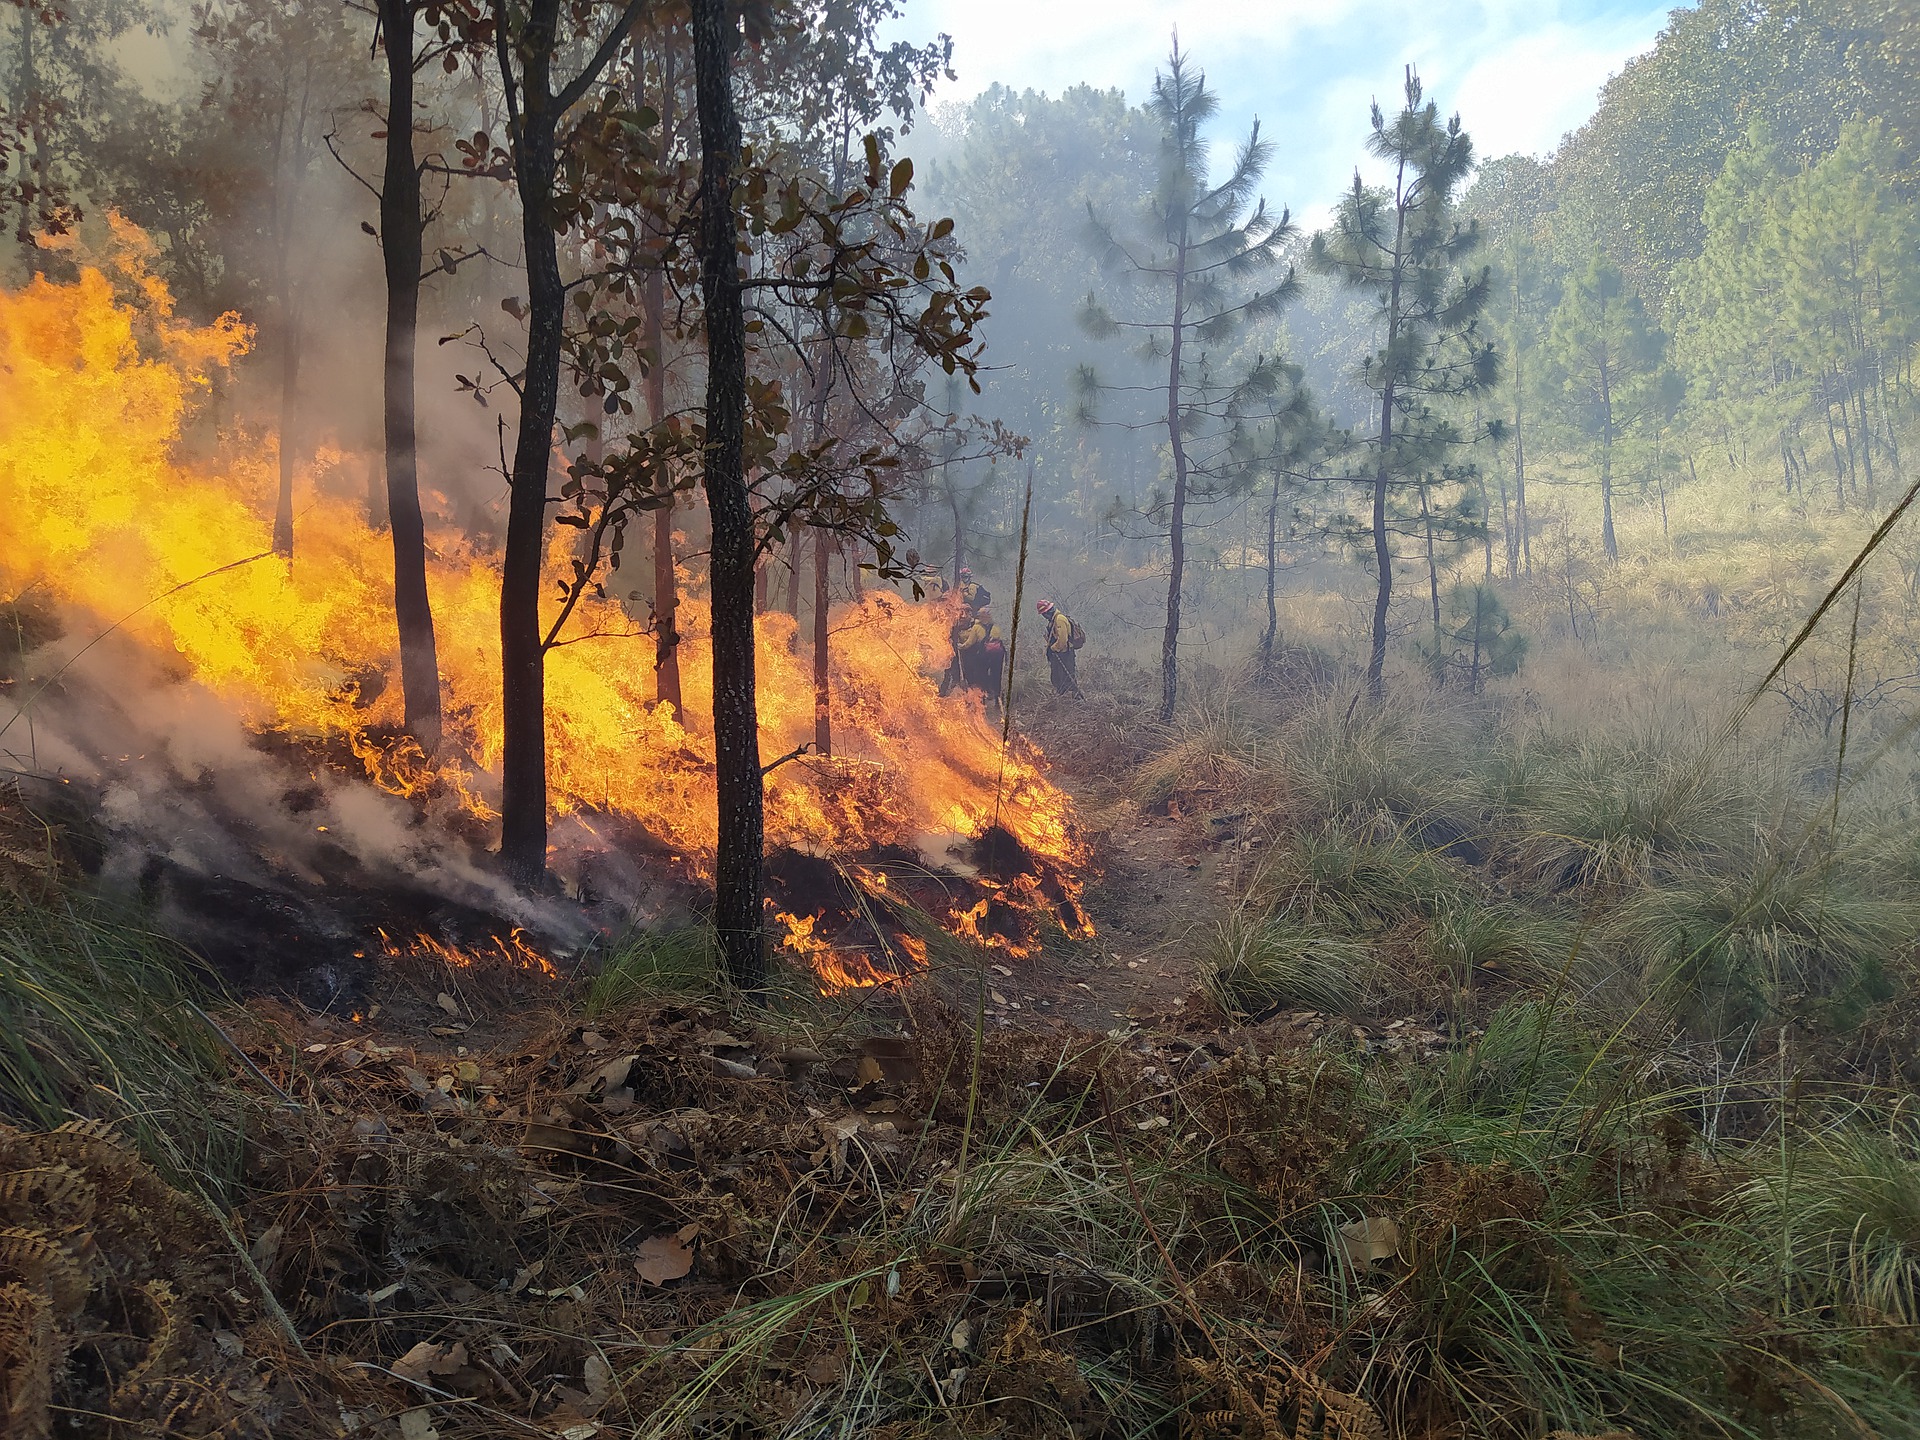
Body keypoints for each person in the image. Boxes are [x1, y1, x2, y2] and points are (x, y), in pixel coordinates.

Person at [1037, 598, 1083, 697]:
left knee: (1068, 679)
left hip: (1064, 654)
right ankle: (1062, 698)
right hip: (1059, 654)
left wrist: (1054, 648)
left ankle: (1075, 700)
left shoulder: (1059, 619)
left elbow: (1062, 640)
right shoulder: (1053, 620)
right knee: (1058, 678)